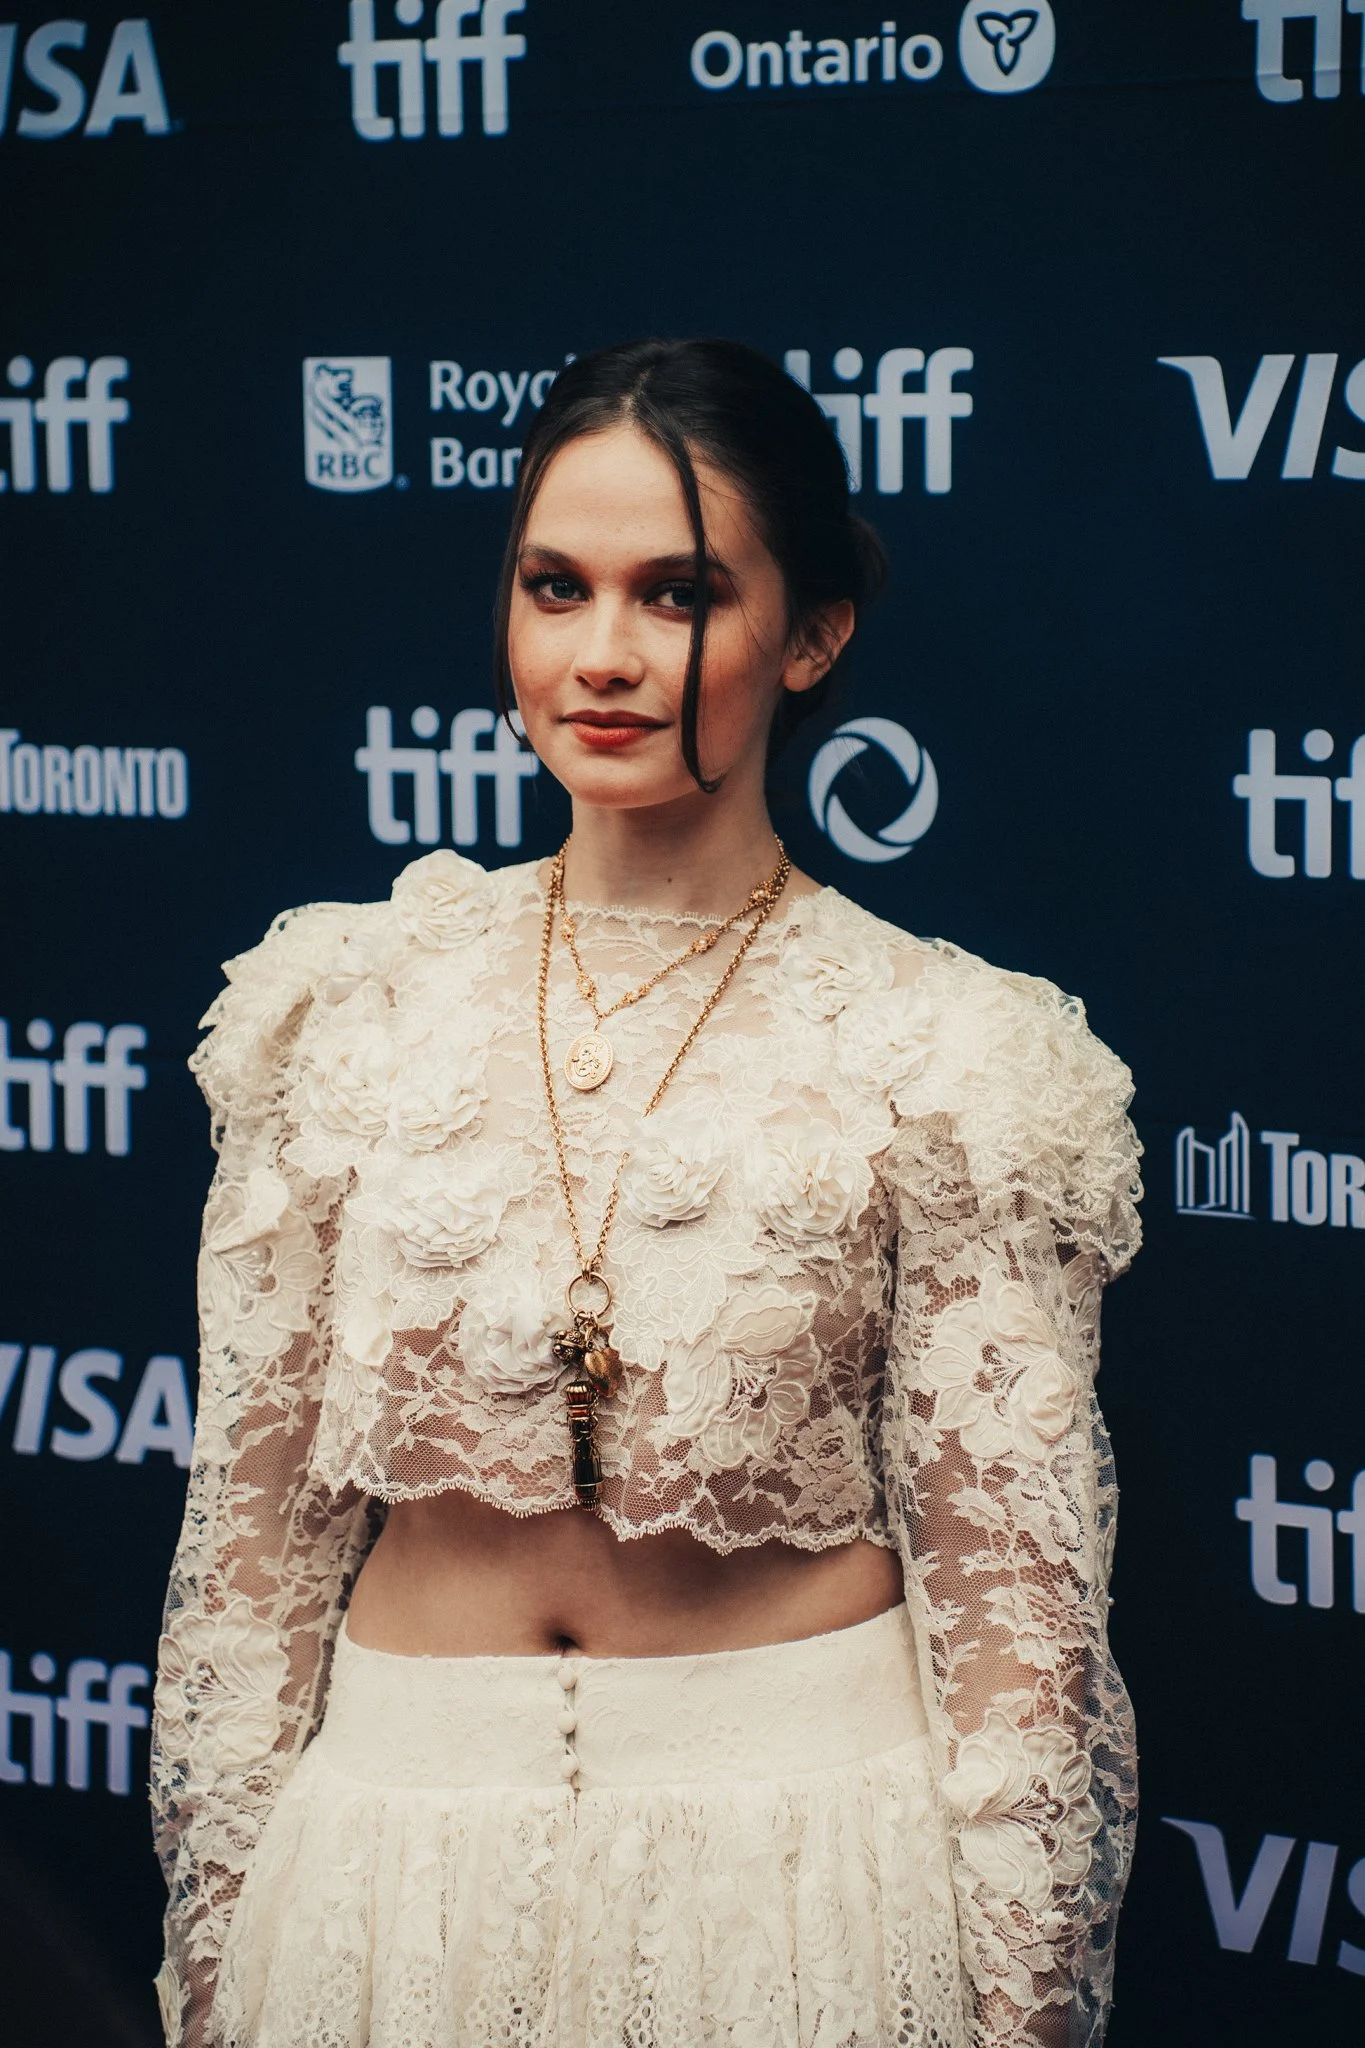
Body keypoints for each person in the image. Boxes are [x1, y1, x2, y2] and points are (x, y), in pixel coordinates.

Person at [150, 337, 1143, 2048]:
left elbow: (1018, 1643)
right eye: (557, 587)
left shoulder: (956, 1056)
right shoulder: (343, 1012)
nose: (601, 654)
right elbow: (245, 1575)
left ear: (811, 635)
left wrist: (1024, 2012)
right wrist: (221, 1962)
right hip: (389, 1892)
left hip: (798, 1892)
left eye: (677, 595)